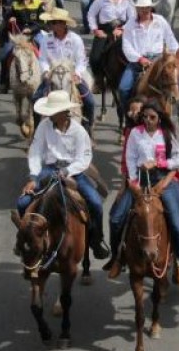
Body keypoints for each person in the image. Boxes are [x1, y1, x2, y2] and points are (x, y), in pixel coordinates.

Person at [106, 100, 179, 285]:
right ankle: (117, 257)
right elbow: (130, 158)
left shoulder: (166, 134)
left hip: (164, 180)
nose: (148, 120)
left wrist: (159, 164)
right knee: (116, 217)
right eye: (145, 117)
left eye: (152, 117)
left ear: (159, 118)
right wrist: (133, 183)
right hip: (139, 180)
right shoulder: (135, 133)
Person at [17, 90, 110, 259]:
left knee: (96, 203)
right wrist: (33, 177)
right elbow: (36, 151)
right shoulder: (44, 127)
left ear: (62, 112)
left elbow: (84, 158)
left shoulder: (79, 131)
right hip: (49, 170)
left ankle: (97, 240)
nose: (48, 115)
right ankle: (26, 238)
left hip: (74, 172)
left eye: (51, 111)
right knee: (22, 203)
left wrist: (67, 171)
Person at [119, 0, 179, 129]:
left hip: (159, 60)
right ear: (137, 9)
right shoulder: (130, 25)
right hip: (138, 61)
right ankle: (127, 118)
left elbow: (170, 39)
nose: (145, 10)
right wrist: (140, 59)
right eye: (142, 8)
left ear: (151, 8)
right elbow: (126, 46)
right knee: (123, 88)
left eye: (147, 8)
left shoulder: (160, 21)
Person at [33, 8, 96, 131]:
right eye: (52, 22)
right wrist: (46, 71)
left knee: (90, 101)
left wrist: (77, 74)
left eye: (55, 22)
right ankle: (36, 131)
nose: (52, 25)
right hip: (52, 74)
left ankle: (88, 128)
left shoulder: (75, 39)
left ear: (63, 23)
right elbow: (43, 59)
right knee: (35, 99)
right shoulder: (47, 40)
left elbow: (81, 60)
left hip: (71, 74)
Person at [87, 0, 135, 91]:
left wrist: (123, 29)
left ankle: (133, 77)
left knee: (133, 54)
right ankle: (98, 80)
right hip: (105, 31)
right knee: (94, 57)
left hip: (122, 30)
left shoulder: (127, 0)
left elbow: (133, 18)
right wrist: (95, 30)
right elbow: (91, 14)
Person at [0, 0, 45, 93]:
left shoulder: (38, 3)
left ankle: (45, 80)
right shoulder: (15, 4)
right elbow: (7, 18)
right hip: (18, 36)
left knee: (44, 53)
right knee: (5, 55)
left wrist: (31, 29)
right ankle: (4, 82)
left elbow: (43, 22)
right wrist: (10, 20)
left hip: (35, 34)